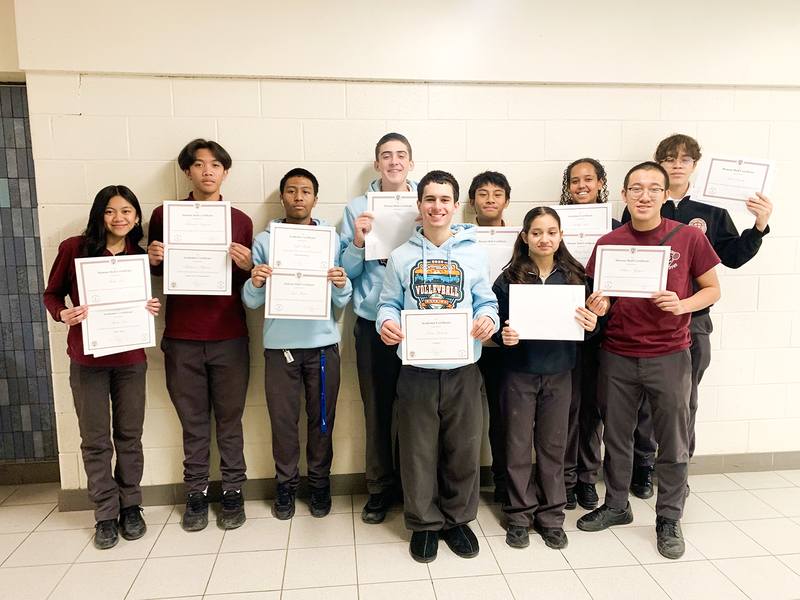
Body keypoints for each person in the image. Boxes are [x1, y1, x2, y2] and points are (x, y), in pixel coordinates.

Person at [577, 161, 721, 560]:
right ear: (624, 195)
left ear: (664, 195)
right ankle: (617, 505)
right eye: (636, 188)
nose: (644, 196)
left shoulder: (689, 238)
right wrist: (600, 303)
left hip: (670, 354)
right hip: (617, 354)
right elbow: (602, 297)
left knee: (672, 441)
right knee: (617, 436)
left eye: (653, 189)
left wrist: (682, 305)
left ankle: (669, 516)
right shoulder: (609, 241)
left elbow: (712, 290)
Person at [622, 134, 773, 499]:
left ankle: (677, 469)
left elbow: (732, 257)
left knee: (683, 399)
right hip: (647, 323)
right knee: (644, 400)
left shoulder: (711, 210)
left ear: (695, 165)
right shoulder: (640, 205)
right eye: (669, 158)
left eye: (685, 159)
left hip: (693, 322)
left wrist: (759, 226)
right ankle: (642, 466)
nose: (677, 164)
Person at [377, 170, 499, 563]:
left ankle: (457, 520)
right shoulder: (401, 257)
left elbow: (487, 302)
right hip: (417, 371)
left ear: (455, 205)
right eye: (430, 199)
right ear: (419, 205)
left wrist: (488, 321)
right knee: (417, 452)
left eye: (444, 199)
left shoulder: (475, 253)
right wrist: (386, 324)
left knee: (462, 449)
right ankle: (424, 524)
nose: (437, 207)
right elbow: (387, 304)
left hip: (464, 368)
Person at [44, 185, 161, 549]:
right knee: (95, 441)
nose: (119, 218)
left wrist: (148, 310)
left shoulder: (137, 257)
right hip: (87, 361)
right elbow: (51, 293)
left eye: (127, 211)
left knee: (130, 436)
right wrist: (62, 313)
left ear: (137, 217)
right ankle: (105, 514)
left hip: (130, 361)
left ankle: (131, 507)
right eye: (111, 211)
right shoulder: (73, 249)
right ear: (100, 214)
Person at [147, 139, 253, 532]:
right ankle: (195, 494)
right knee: (192, 421)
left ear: (225, 172)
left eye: (215, 165)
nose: (207, 171)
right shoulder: (164, 215)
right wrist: (152, 259)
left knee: (230, 419)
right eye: (198, 165)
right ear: (187, 172)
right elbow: (158, 275)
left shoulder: (240, 220)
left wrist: (246, 265)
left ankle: (233, 492)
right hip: (182, 337)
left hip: (229, 336)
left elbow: (247, 283)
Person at [493, 206, 606, 550]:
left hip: (560, 374)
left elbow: (586, 332)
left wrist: (593, 324)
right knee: (515, 446)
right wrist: (502, 336)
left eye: (552, 232)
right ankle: (519, 516)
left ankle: (552, 516)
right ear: (525, 237)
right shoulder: (508, 279)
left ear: (560, 237)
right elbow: (495, 324)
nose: (545, 239)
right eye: (537, 232)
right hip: (518, 374)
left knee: (554, 448)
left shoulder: (575, 278)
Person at [243, 168, 352, 519]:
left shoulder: (331, 240)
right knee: (283, 422)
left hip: (322, 347)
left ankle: (320, 485)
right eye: (291, 191)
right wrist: (256, 281)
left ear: (316, 199)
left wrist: (340, 283)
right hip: (281, 349)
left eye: (306, 191)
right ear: (282, 197)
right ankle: (286, 486)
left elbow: (342, 299)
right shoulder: (265, 240)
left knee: (321, 421)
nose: (299, 197)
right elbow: (252, 301)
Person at [340, 133, 416, 524]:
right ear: (377, 164)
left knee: (416, 410)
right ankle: (379, 489)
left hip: (419, 322)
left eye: (401, 155)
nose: (394, 162)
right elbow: (344, 273)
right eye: (386, 156)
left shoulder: (427, 203)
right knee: (377, 410)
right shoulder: (357, 208)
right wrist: (357, 241)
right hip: (373, 324)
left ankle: (412, 487)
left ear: (411, 164)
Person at [558, 158, 617, 512]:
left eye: (588, 180)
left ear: (601, 183)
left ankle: (587, 477)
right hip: (562, 323)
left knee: (592, 407)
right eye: (575, 181)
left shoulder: (615, 228)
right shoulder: (555, 223)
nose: (581, 186)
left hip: (601, 326)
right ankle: (564, 478)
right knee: (566, 406)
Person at [467, 171, 512, 503]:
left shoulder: (521, 239)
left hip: (503, 344)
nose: (490, 199)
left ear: (507, 202)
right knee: (464, 417)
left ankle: (503, 483)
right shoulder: (460, 242)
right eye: (483, 194)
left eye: (498, 194)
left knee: (502, 416)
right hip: (465, 340)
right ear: (472, 203)